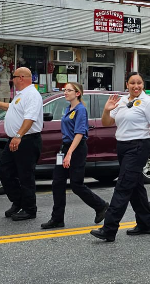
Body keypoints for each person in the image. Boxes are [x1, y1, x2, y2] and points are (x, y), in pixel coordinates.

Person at [91, 72, 150, 242]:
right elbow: (107, 123)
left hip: (137, 147)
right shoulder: (121, 101)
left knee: (122, 186)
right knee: (135, 186)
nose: (136, 86)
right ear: (126, 84)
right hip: (122, 146)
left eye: (139, 83)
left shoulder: (148, 102)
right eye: (132, 83)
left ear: (143, 85)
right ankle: (145, 224)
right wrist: (106, 111)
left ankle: (109, 228)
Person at [41, 82, 109, 229]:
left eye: (69, 90)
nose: (65, 92)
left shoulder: (81, 110)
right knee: (57, 183)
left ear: (77, 93)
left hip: (76, 149)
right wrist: (65, 152)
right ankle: (57, 218)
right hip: (65, 148)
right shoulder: (68, 109)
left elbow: (79, 133)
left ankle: (101, 206)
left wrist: (69, 154)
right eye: (64, 90)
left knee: (76, 184)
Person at [0, 67, 43, 221]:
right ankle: (18, 202)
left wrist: (19, 135)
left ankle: (30, 209)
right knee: (4, 170)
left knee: (25, 175)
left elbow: (30, 118)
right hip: (15, 139)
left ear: (22, 77)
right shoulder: (21, 95)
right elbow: (12, 108)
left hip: (26, 140)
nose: (12, 79)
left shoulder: (32, 95)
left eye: (14, 76)